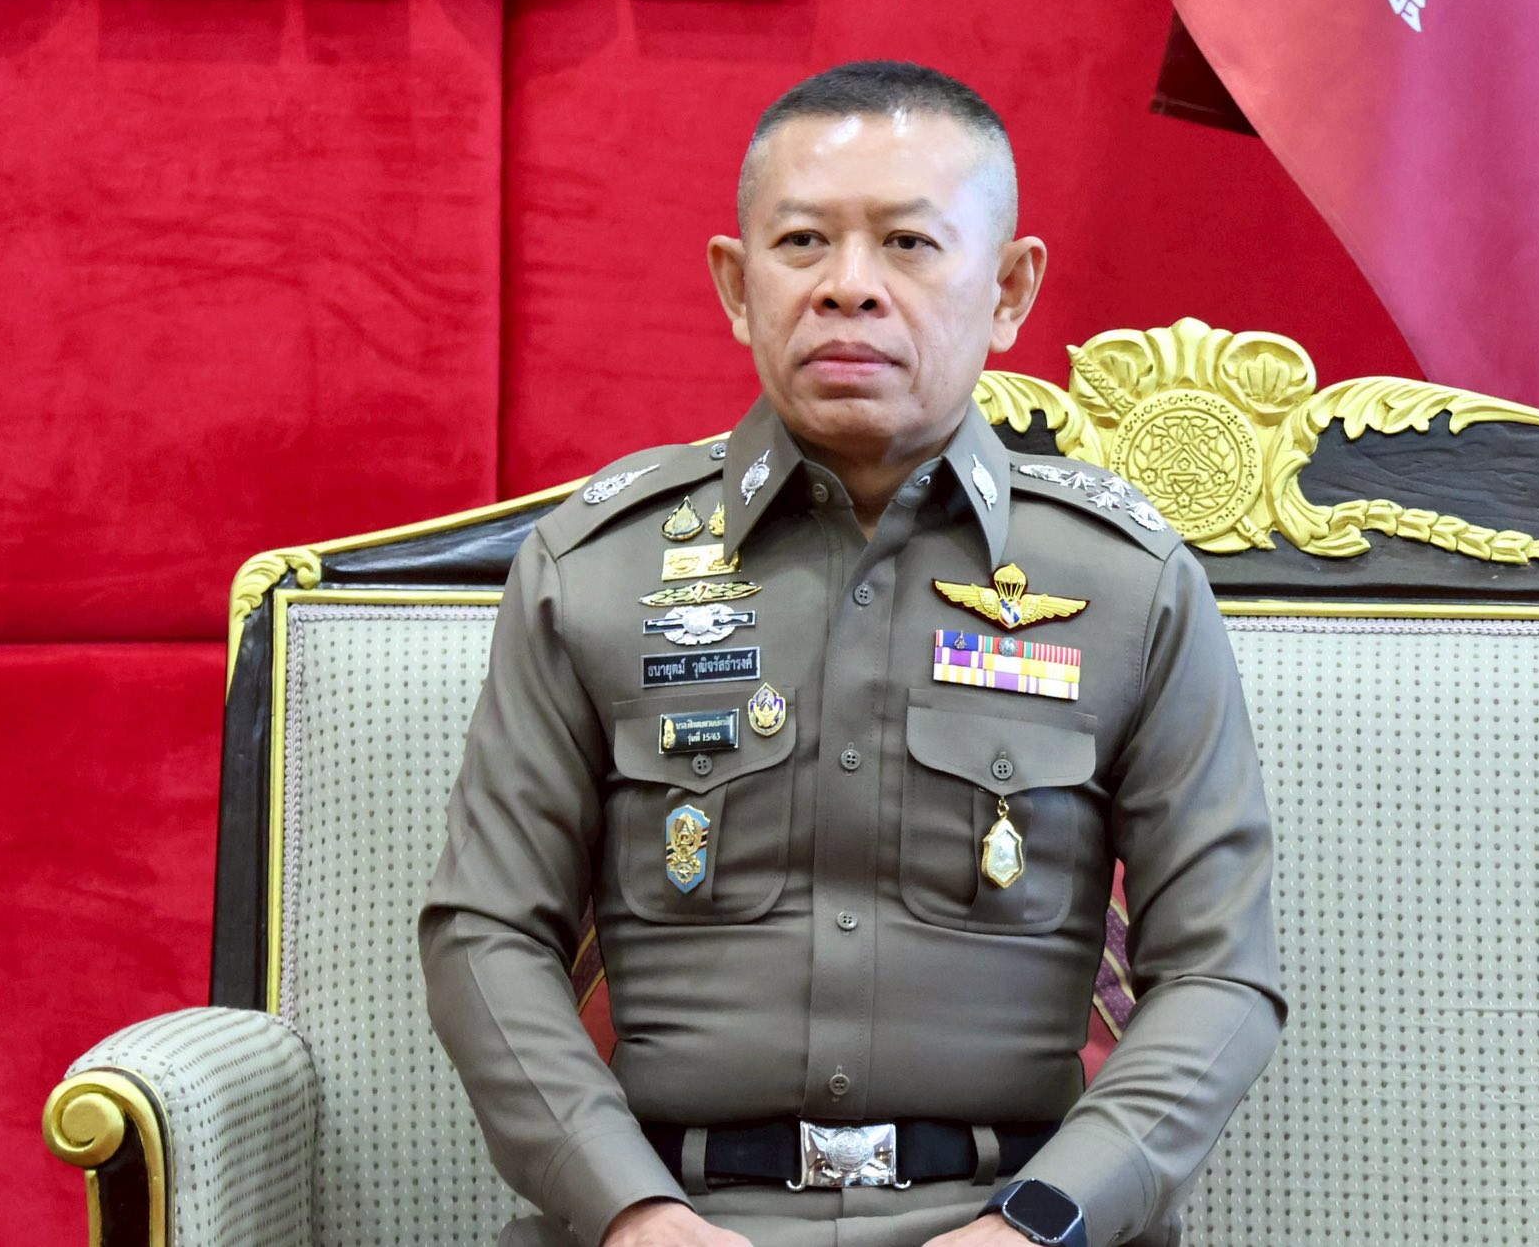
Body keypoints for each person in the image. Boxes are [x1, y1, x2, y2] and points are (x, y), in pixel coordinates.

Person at [419, 60, 1285, 1247]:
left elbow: (1218, 973)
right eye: (801, 244)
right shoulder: (597, 569)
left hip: (1010, 1219)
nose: (848, 286)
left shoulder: (1127, 585)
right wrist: (629, 1210)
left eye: (909, 244)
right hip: (672, 1219)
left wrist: (1040, 1222)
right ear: (737, 286)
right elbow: (484, 931)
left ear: (1008, 289)